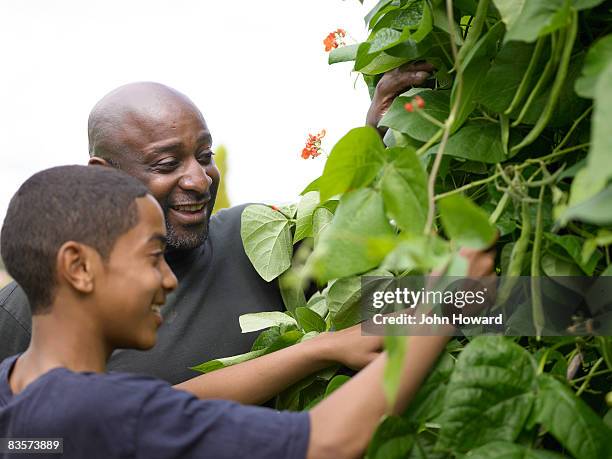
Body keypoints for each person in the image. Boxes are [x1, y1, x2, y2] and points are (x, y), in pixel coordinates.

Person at [0, 166, 494, 459]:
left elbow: (173, 401)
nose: (169, 279)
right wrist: (444, 306)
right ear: (78, 267)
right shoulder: (100, 413)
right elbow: (328, 443)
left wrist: (320, 346)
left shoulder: (19, 391)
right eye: (153, 256)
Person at [0, 64, 435, 384]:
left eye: (205, 156)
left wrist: (494, 306)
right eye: (168, 163)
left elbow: (390, 300)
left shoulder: (256, 240)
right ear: (104, 174)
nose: (198, 179)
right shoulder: (27, 308)